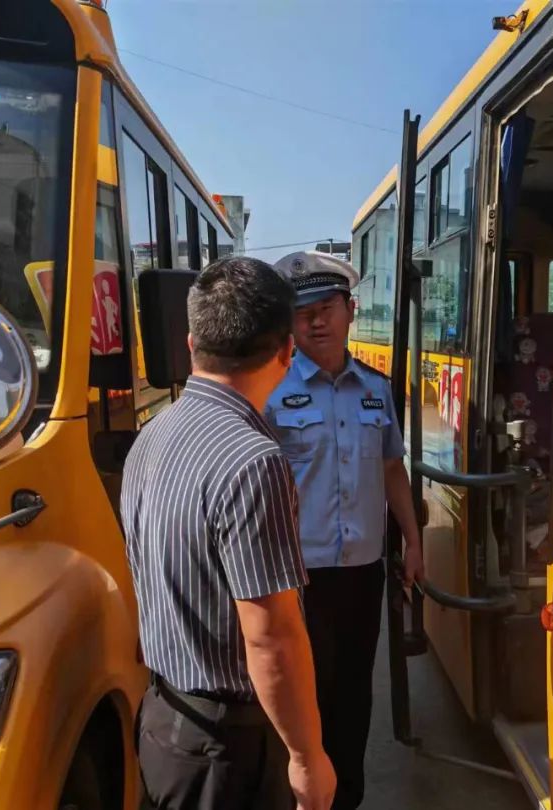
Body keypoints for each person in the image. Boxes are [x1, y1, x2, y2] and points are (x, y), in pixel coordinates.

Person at [121, 256, 336, 810]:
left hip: (164, 721)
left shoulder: (152, 434)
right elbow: (271, 637)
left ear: (192, 343)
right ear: (286, 352)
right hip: (226, 748)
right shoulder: (252, 461)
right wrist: (306, 757)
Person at [264, 250, 424, 810]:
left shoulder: (376, 390)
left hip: (361, 572)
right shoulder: (269, 394)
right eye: (302, 312)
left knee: (354, 695)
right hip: (296, 577)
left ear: (350, 311)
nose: (315, 322)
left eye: (326, 308)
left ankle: (345, 798)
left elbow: (391, 468)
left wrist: (413, 540)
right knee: (302, 697)